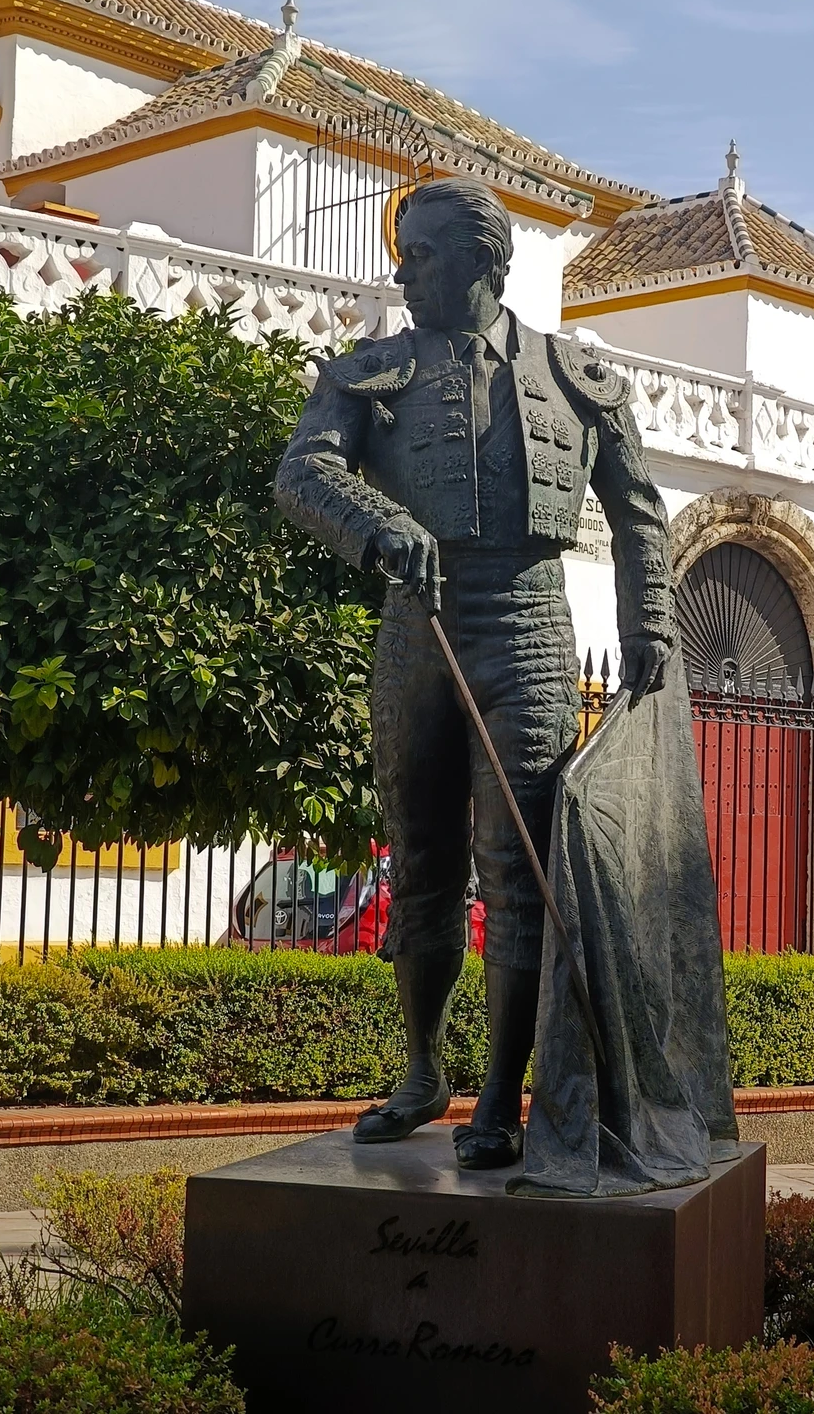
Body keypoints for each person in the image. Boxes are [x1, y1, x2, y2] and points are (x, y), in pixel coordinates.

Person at [275, 178, 674, 1168]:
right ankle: (422, 1071)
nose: (403, 270)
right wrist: (378, 523)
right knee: (420, 860)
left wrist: (648, 626)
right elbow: (302, 471)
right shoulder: (371, 372)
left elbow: (638, 513)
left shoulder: (578, 378)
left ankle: (499, 1098)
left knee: (517, 868)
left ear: (483, 263)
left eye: (422, 253)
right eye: (403, 251)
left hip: (530, 625)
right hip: (419, 624)